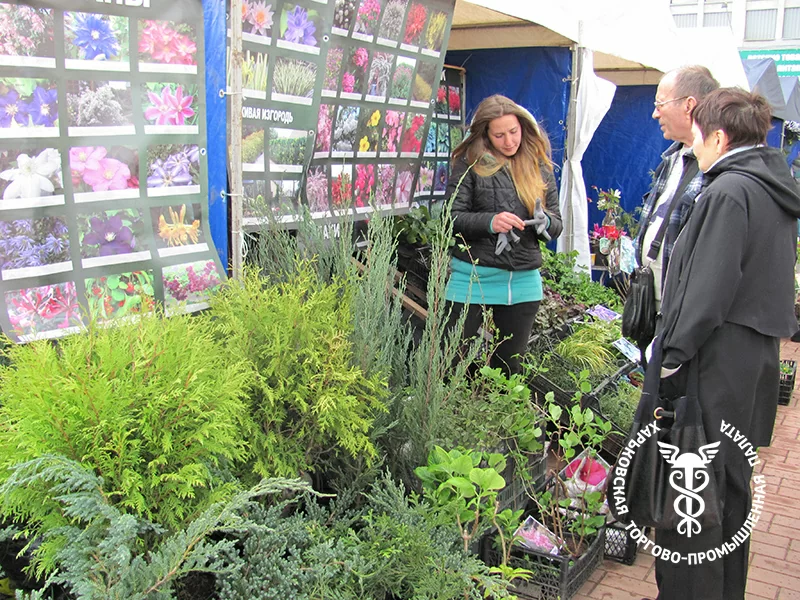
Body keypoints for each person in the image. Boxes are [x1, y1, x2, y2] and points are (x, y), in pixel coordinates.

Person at [651, 88, 800, 600]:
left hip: (715, 359)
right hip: (751, 358)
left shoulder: (729, 191)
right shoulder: (770, 185)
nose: (693, 148)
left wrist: (671, 357)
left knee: (694, 494)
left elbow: (708, 291)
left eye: (696, 137)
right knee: (730, 487)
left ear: (717, 136)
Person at [443, 94, 562, 375]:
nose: (509, 141)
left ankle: (500, 405)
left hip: (522, 279)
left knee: (509, 369)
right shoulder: (469, 164)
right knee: (450, 363)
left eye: (513, 132)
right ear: (485, 134)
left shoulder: (539, 166)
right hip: (472, 276)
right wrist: (490, 222)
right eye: (499, 135)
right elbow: (450, 217)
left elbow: (557, 223)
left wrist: (545, 222)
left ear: (523, 127)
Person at [634, 66, 720, 311]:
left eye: (660, 104)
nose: (655, 114)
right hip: (654, 302)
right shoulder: (671, 159)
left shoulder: (715, 168)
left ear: (688, 105)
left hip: (683, 307)